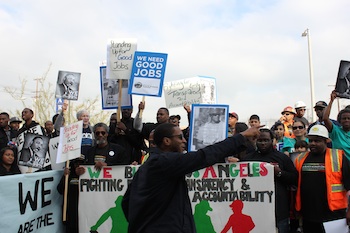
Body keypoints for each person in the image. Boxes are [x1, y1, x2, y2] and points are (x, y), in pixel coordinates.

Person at [122, 123, 261, 233]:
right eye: (180, 137)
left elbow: (126, 203)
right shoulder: (165, 162)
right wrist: (242, 136)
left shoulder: (146, 168)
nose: (184, 141)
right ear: (166, 141)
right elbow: (205, 156)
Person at [294, 124, 350, 232]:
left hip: (334, 214)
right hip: (308, 214)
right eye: (311, 141)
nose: (313, 144)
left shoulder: (338, 157)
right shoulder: (300, 159)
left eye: (317, 141)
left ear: (326, 141)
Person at [242, 128, 298, 233]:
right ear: (255, 141)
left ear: (272, 141)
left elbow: (294, 178)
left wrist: (279, 173)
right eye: (260, 140)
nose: (263, 143)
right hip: (256, 211)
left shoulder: (282, 158)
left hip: (279, 211)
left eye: (266, 140)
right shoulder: (248, 159)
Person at [323, 90, 350, 159]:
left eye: (349, 118)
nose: (346, 120)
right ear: (339, 121)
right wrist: (331, 101)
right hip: (340, 167)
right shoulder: (336, 131)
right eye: (344, 118)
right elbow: (325, 118)